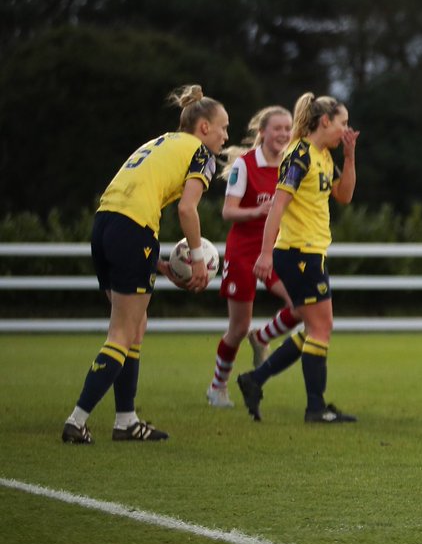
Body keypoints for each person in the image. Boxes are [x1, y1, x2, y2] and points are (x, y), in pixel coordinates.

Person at [62, 85, 229, 443]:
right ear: (203, 128)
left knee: (135, 326)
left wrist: (161, 265)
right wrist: (198, 260)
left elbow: (134, 202)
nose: (225, 136)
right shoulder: (202, 154)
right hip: (132, 229)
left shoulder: (162, 141)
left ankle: (126, 420)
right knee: (122, 333)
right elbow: (187, 209)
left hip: (105, 224)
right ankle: (77, 420)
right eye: (223, 128)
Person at [236, 93, 358, 424]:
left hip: (310, 252)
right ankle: (315, 408)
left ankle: (255, 379)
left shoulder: (323, 156)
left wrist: (349, 155)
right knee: (322, 327)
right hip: (298, 252)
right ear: (325, 122)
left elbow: (344, 196)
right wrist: (264, 255)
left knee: (315, 328)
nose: (346, 129)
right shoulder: (299, 154)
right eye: (343, 123)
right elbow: (277, 205)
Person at [205, 106, 303, 407]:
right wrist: (257, 211)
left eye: (288, 129)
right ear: (262, 132)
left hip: (276, 252)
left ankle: (262, 337)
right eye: (278, 128)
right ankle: (217, 387)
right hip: (244, 252)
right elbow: (228, 211)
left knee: (301, 306)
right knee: (237, 327)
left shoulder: (293, 164)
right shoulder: (245, 165)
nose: (284, 134)